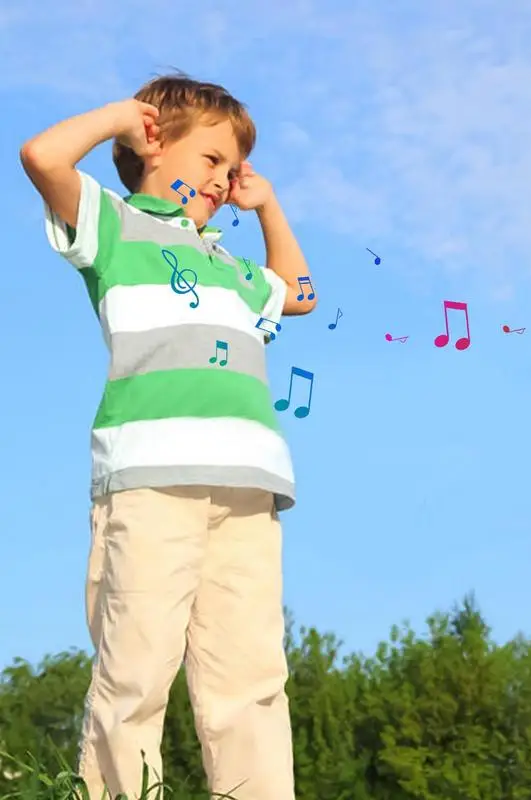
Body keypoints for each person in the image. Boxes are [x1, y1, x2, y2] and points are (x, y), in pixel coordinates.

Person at [19, 73, 316, 800]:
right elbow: (42, 156)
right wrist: (122, 116)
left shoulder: (234, 266)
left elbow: (301, 294)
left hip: (247, 488)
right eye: (212, 160)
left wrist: (267, 203)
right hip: (151, 482)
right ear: (152, 144)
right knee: (136, 671)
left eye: (234, 167)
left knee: (250, 679)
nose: (224, 179)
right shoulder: (115, 227)